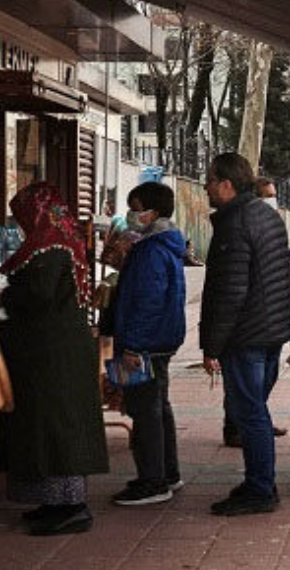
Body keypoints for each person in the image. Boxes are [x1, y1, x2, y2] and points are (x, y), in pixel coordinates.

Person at [0, 183, 108, 536]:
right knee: (45, 429)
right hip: (52, 355)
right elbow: (16, 278)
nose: (21, 225)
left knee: (56, 430)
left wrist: (0, 299)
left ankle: (70, 508)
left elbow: (36, 294)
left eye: (22, 217)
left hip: (54, 358)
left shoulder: (50, 248)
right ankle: (53, 503)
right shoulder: (54, 243)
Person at [200, 153, 290, 516]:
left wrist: (212, 345)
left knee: (250, 414)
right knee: (255, 412)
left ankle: (260, 489)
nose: (206, 187)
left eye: (209, 180)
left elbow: (230, 291)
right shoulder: (266, 215)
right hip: (270, 329)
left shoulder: (234, 223)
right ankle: (258, 480)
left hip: (246, 335)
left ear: (226, 184)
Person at [110, 182, 187, 506]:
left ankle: (153, 480)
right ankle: (166, 473)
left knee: (146, 410)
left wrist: (133, 344)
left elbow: (148, 301)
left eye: (136, 207)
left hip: (147, 342)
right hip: (160, 340)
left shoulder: (152, 250)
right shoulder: (162, 245)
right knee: (157, 406)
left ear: (152, 212)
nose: (132, 214)